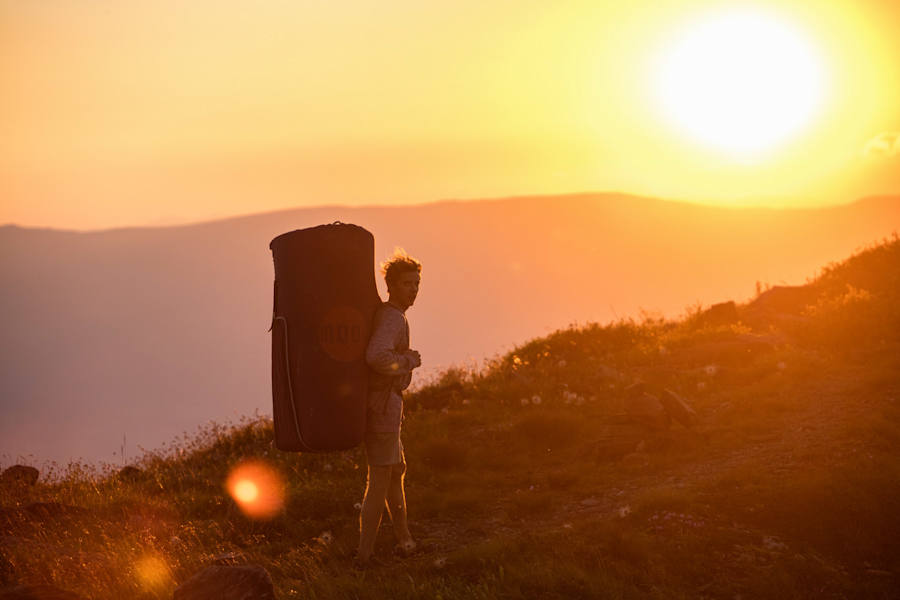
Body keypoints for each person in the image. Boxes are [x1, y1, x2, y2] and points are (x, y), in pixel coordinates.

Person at [356, 248, 422, 567]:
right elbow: (377, 357)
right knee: (380, 479)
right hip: (382, 408)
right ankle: (364, 556)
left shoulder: (392, 315)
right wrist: (408, 361)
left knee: (396, 472)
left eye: (416, 283)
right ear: (391, 285)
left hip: (386, 407)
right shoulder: (393, 318)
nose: (414, 289)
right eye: (408, 283)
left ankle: (404, 540)